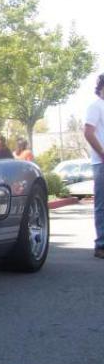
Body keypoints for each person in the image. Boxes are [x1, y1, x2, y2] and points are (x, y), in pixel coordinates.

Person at [84, 74, 104, 259]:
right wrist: (102, 154)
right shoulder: (96, 106)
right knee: (102, 205)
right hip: (101, 163)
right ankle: (101, 245)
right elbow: (88, 132)